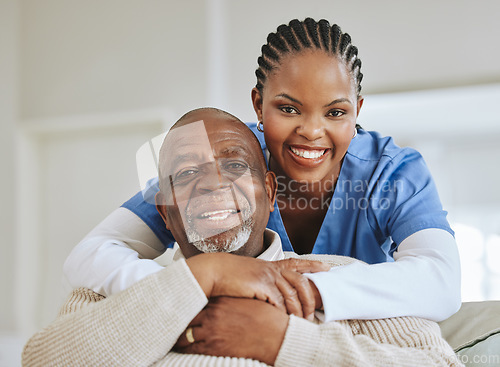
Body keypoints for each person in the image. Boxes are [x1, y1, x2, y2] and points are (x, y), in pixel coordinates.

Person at [63, 18, 461, 322]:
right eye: (288, 109)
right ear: (258, 103)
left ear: (357, 111)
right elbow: (91, 254)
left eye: (336, 112)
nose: (311, 132)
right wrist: (207, 279)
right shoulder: (221, 163)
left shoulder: (392, 173)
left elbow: (441, 281)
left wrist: (282, 289)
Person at [22, 109, 463, 366]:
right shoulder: (103, 296)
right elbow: (42, 360)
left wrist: (285, 341)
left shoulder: (342, 280)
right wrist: (202, 277)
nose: (213, 184)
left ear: (269, 192)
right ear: (163, 210)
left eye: (234, 166)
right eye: (189, 172)